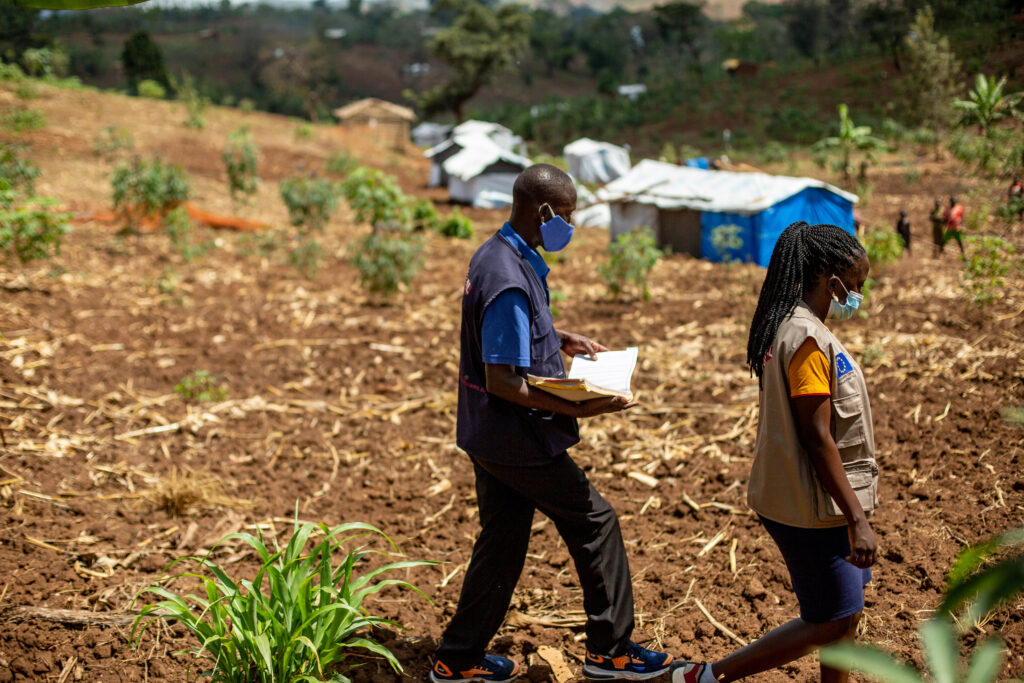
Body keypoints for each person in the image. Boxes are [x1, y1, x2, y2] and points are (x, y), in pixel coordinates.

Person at [430, 163, 673, 683]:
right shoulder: (508, 278)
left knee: (502, 540)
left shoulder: (500, 254)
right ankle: (610, 651)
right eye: (565, 215)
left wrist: (559, 338)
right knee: (596, 522)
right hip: (517, 438)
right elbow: (503, 380)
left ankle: (457, 659)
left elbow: (510, 332)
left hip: (489, 435)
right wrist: (580, 406)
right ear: (541, 211)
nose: (569, 224)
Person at [671, 221, 879, 683]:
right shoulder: (806, 339)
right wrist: (857, 519)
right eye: (857, 286)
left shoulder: (794, 325)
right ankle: (707, 677)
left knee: (846, 615)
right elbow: (817, 436)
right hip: (813, 505)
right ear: (832, 281)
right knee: (833, 619)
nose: (859, 296)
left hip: (817, 497)